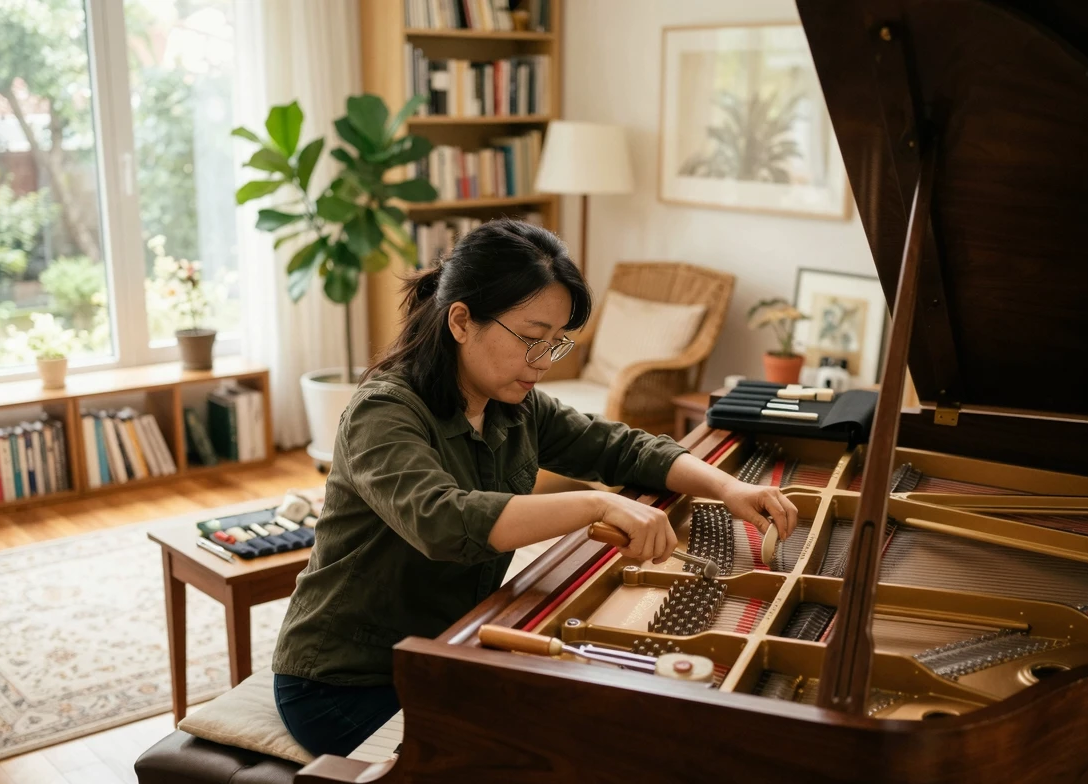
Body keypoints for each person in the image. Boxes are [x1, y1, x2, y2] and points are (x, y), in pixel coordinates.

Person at [272, 219, 798, 756]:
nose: (542, 363)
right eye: (530, 338)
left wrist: (728, 487)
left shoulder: (514, 406)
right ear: (461, 320)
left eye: (556, 343)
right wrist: (596, 503)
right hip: (342, 682)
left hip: (448, 651)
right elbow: (444, 522)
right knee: (529, 765)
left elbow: (622, 447)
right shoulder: (382, 411)